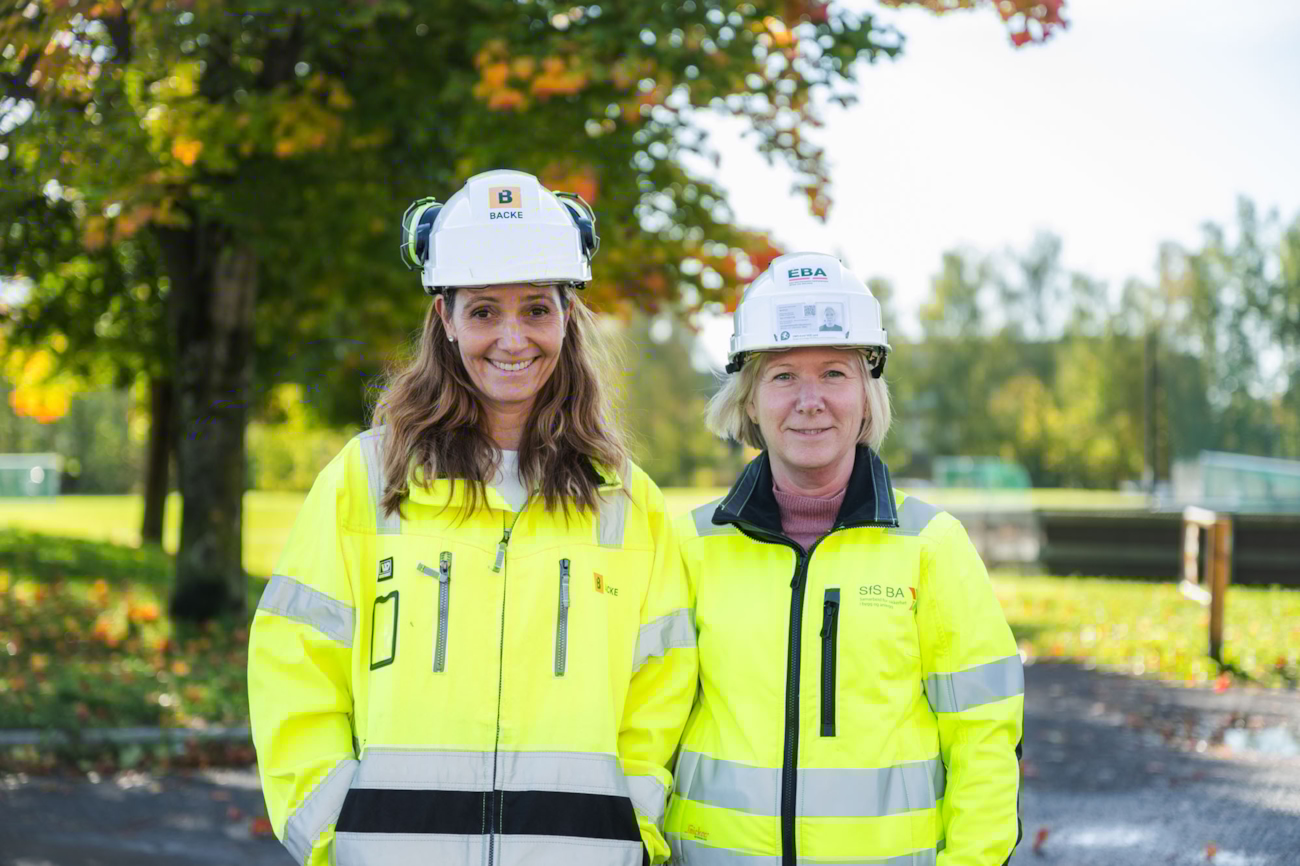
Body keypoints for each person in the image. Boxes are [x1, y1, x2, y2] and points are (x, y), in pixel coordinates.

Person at [248, 169, 697, 866]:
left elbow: (661, 687)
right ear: (445, 319)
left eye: (537, 310)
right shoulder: (363, 481)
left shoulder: (626, 501)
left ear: (566, 317)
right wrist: (333, 831)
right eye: (485, 310)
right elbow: (293, 665)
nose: (512, 339)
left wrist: (628, 830)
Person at [664, 253, 1024, 865]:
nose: (810, 401)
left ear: (866, 395)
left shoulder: (932, 546)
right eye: (782, 376)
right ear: (749, 401)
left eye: (834, 373)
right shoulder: (688, 547)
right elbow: (647, 733)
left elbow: (985, 738)